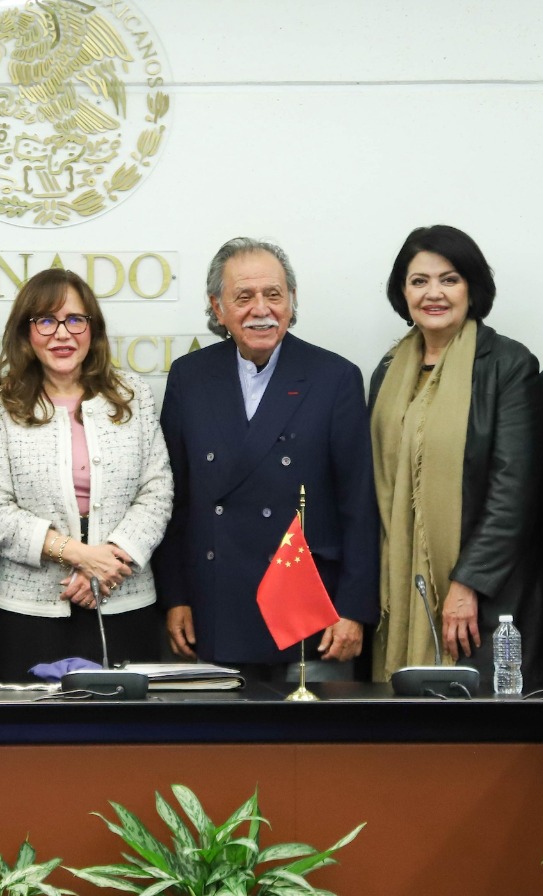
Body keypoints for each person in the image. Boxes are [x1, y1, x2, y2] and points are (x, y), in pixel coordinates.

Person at [154, 237, 378, 682]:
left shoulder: (334, 377)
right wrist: (175, 597)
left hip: (311, 607)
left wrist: (353, 609)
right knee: (226, 750)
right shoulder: (190, 377)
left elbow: (359, 505)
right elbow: (174, 500)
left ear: (292, 302)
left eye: (274, 295)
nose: (261, 309)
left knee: (312, 749)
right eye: (244, 297)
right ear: (218, 309)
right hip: (215, 603)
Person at [368, 225, 543, 684]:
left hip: (486, 601)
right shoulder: (389, 370)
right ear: (403, 292)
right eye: (419, 281)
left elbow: (514, 490)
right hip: (398, 590)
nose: (434, 293)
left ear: (473, 287)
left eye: (449, 279)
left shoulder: (509, 365)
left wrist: (467, 583)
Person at [0, 269, 172, 681]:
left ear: (92, 329)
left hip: (125, 601)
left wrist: (109, 560)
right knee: (29, 739)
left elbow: (157, 492)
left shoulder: (133, 396)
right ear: (26, 332)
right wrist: (80, 556)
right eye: (45, 320)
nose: (62, 334)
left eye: (75, 320)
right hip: (30, 611)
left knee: (121, 736)